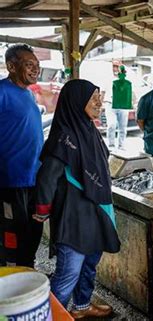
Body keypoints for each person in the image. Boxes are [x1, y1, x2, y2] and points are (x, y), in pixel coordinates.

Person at [34, 79, 120, 318]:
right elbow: (46, 178)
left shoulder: (88, 129)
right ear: (76, 101)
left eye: (99, 97)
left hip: (95, 211)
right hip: (73, 215)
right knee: (68, 272)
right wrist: (42, 209)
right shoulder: (64, 137)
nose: (99, 103)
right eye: (93, 98)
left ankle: (81, 306)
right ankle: (50, 315)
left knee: (89, 264)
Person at [0, 44, 43, 267]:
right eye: (29, 65)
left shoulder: (28, 94)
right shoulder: (2, 91)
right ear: (11, 66)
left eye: (37, 65)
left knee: (33, 227)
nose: (36, 69)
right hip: (10, 179)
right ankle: (11, 277)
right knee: (12, 232)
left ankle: (28, 270)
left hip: (32, 177)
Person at [106, 64, 132, 150]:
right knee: (111, 125)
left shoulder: (127, 82)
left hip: (123, 106)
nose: (116, 69)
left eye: (118, 67)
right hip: (110, 104)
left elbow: (130, 93)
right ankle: (111, 144)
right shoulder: (108, 78)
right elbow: (102, 92)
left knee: (123, 127)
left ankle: (121, 145)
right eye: (114, 66)